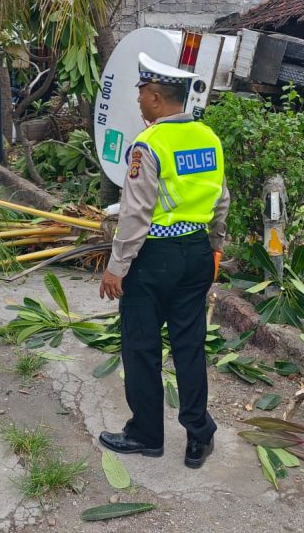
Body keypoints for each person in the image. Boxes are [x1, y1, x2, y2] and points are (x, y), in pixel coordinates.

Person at [97, 53, 229, 470]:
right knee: (189, 347)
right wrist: (215, 246)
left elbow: (136, 214)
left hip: (153, 259)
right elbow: (221, 198)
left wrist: (117, 266)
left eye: (141, 93)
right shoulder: (208, 136)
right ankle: (198, 436)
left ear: (156, 97)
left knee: (141, 346)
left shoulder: (148, 144)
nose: (137, 100)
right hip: (196, 254)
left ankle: (147, 435)